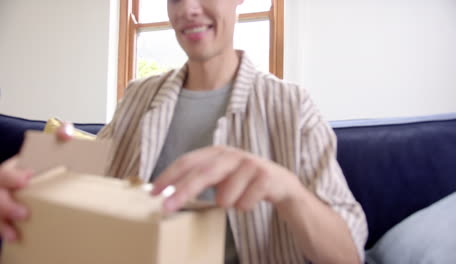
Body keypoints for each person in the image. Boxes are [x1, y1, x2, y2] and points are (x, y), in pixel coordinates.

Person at [0, 0, 368, 263]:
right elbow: (97, 182)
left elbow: (347, 255)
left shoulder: (292, 106)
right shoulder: (138, 96)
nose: (188, 8)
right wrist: (41, 173)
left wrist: (286, 188)